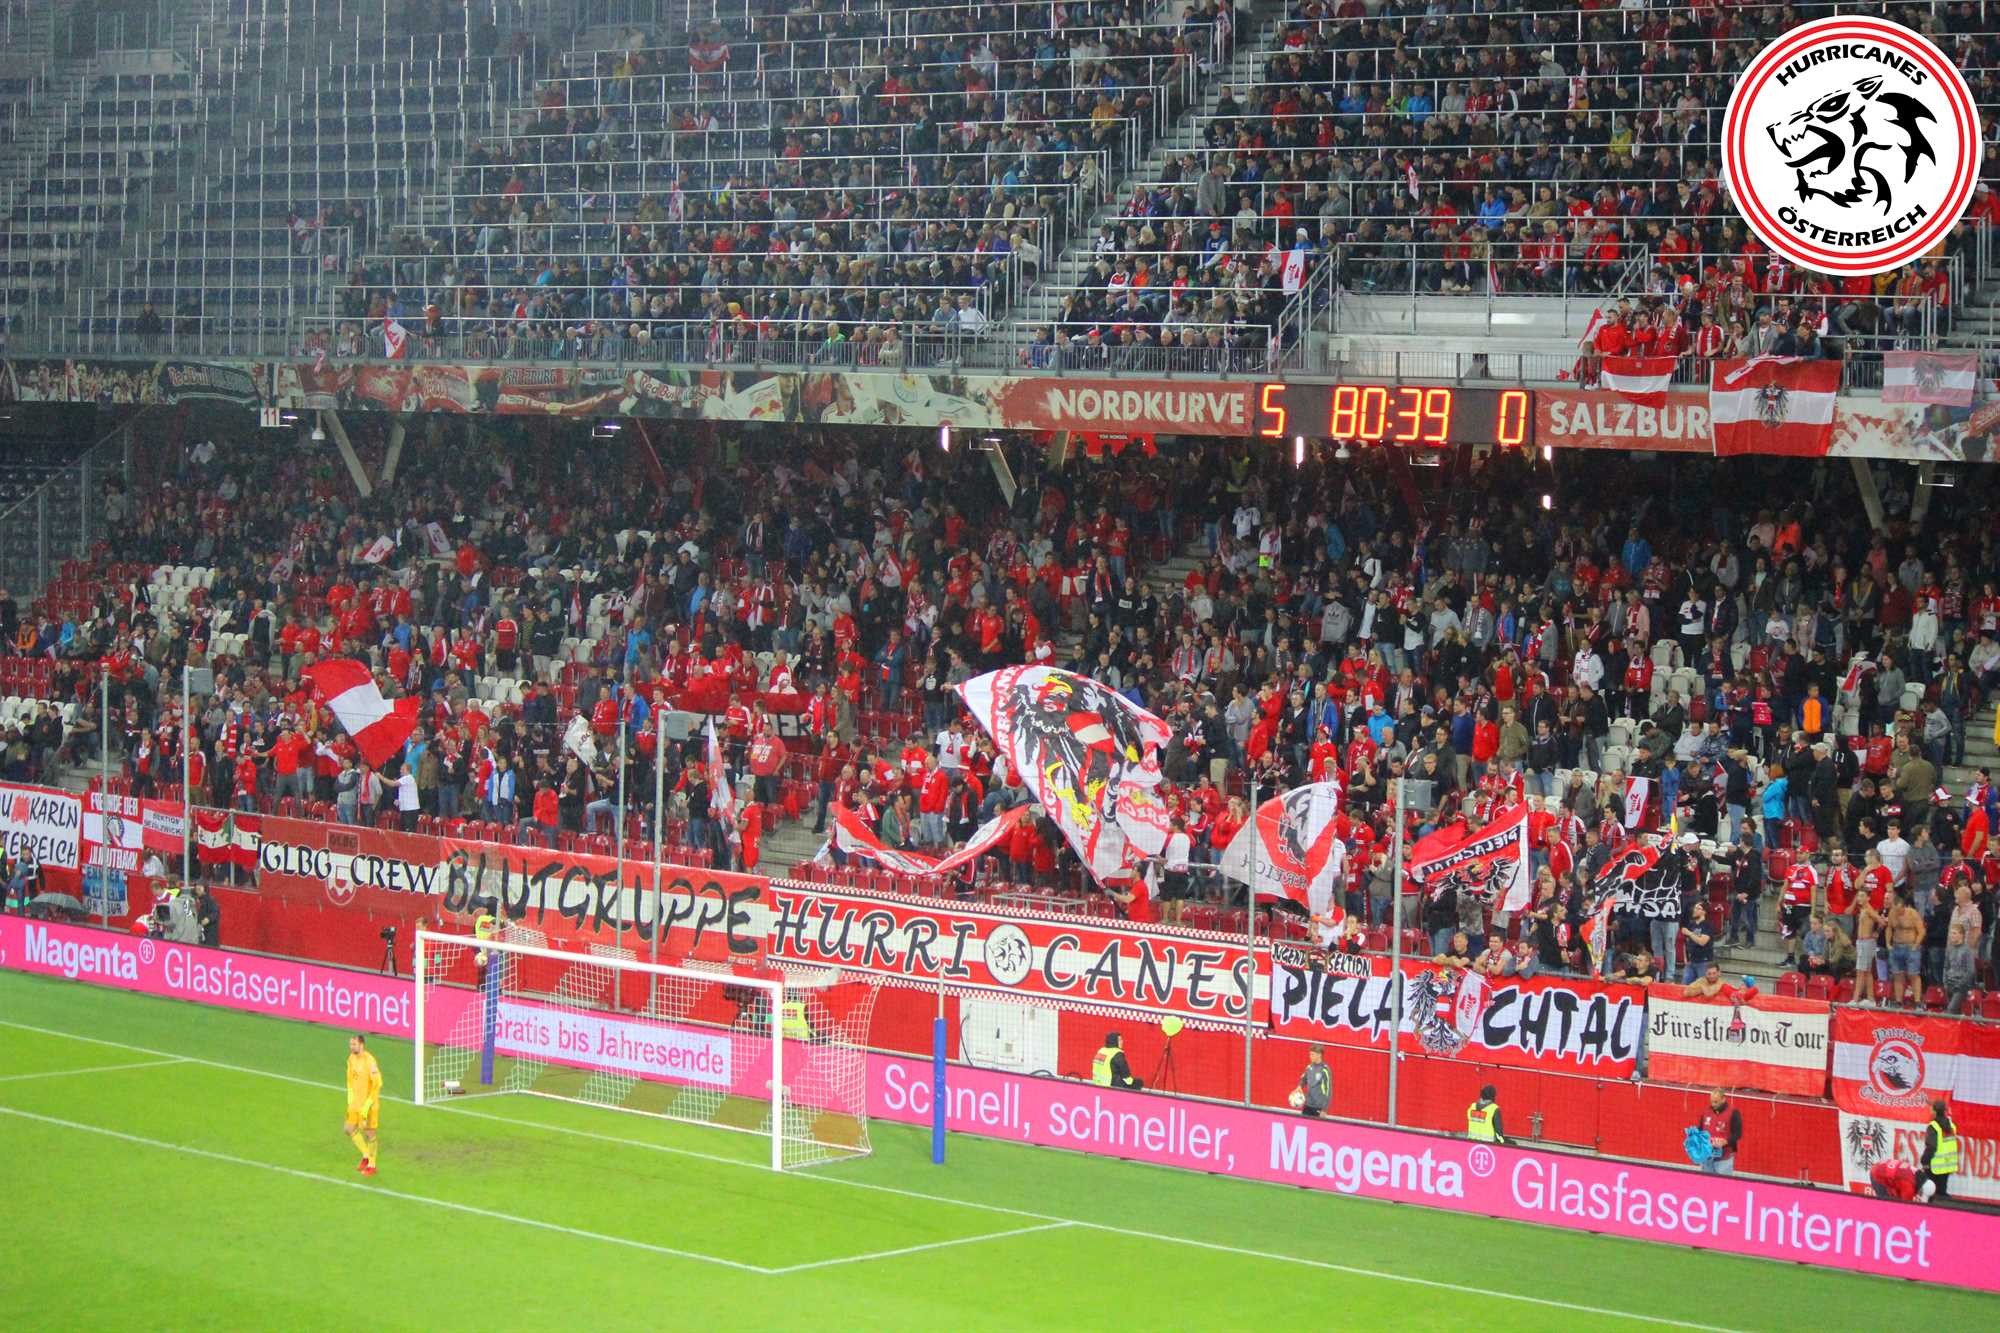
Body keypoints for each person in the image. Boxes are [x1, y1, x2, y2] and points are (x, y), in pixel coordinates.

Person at [343, 1033, 382, 1176]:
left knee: (369, 1134)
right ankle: (366, 1155)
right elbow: (349, 1078)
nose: (351, 1047)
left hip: (369, 1105)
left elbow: (377, 1084)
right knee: (348, 1128)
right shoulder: (351, 1058)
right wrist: (350, 1096)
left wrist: (366, 1106)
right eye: (350, 1044)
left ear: (361, 1045)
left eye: (354, 1044)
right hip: (355, 1103)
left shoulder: (370, 1061)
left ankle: (372, 1165)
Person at [1918, 1099, 1958, 1202]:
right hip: (1947, 1165)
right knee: (1942, 1194)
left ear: (1934, 1111)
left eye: (1931, 1108)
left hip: (1934, 1165)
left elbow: (1931, 1146)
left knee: (1929, 1193)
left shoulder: (1933, 1126)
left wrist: (1924, 1161)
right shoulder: (1952, 1126)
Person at [1697, 1088, 1742, 1175]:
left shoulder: (1733, 1113)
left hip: (1724, 1158)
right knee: (1706, 1182)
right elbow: (1700, 1130)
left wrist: (1725, 1142)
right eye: (1712, 1102)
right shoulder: (1706, 1112)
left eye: (1716, 1102)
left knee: (1723, 1183)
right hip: (1707, 1157)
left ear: (1723, 1099)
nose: (1713, 1104)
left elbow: (1738, 1134)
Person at [1295, 1044, 1330, 1118]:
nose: (1310, 1056)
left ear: (1319, 1055)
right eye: (1310, 1054)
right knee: (1303, 1123)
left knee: (1316, 1125)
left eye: (1312, 1054)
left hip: (1318, 1107)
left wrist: (1324, 1109)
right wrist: (1299, 1086)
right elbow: (1304, 1079)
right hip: (1308, 1105)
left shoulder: (1325, 1070)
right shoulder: (1309, 1067)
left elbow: (1328, 1091)